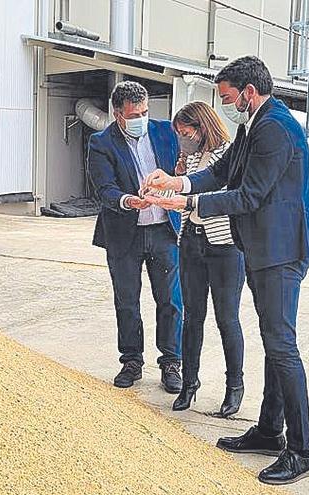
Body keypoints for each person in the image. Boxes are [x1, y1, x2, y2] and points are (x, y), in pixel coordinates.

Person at [142, 56, 309, 485]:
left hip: (280, 251)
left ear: (248, 91)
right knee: (276, 342)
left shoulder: (275, 128)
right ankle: (269, 431)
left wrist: (186, 205)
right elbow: (222, 172)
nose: (224, 105)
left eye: (226, 97)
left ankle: (301, 450)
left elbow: (248, 195)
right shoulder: (254, 124)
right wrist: (177, 183)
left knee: (282, 347)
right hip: (262, 249)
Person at [87, 80, 183, 394]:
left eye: (144, 111)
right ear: (118, 115)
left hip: (164, 230)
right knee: (127, 301)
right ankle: (131, 361)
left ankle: (171, 362)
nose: (141, 118)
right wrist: (128, 201)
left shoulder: (165, 131)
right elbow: (105, 189)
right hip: (123, 233)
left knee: (170, 301)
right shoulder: (101, 143)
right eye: (133, 114)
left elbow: (181, 170)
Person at [170, 101, 246, 419]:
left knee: (227, 319)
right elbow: (189, 198)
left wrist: (186, 199)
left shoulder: (228, 154)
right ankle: (190, 383)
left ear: (201, 127)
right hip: (191, 241)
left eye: (186, 133)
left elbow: (228, 198)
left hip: (225, 245)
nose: (183, 140)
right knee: (192, 318)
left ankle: (234, 387)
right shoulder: (188, 159)